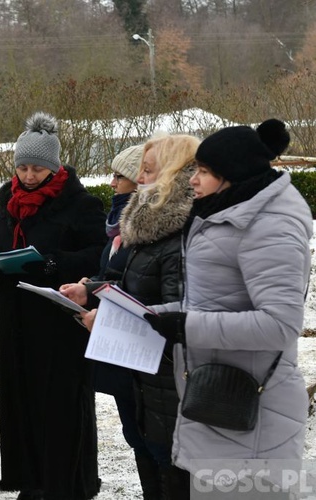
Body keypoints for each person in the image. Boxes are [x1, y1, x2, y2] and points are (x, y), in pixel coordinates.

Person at [146, 119, 311, 498]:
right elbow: (210, 304)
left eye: (204, 172)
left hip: (253, 410)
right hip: (220, 404)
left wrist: (187, 326)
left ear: (232, 175)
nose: (193, 180)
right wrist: (144, 314)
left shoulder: (270, 225)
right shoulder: (227, 213)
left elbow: (280, 324)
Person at [0, 111, 107, 500]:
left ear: (54, 167)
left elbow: (98, 255)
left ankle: (66, 483)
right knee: (21, 400)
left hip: (59, 317)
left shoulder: (80, 203)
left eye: (37, 169)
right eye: (23, 168)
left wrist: (51, 263)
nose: (29, 176)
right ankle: (31, 480)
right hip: (15, 317)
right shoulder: (8, 199)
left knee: (61, 402)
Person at [64, 133, 199, 499]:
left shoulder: (180, 236)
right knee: (150, 458)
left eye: (147, 169)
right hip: (146, 381)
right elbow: (129, 283)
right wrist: (91, 291)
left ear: (173, 173)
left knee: (174, 474)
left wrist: (105, 323)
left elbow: (178, 322)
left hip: (171, 384)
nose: (139, 177)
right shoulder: (149, 228)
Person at [60, 144, 161, 498]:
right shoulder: (118, 228)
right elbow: (114, 275)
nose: (112, 182)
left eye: (121, 176)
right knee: (135, 435)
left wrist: (97, 295)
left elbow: (145, 286)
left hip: (143, 349)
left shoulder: (147, 228)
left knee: (153, 438)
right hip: (121, 347)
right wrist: (90, 288)